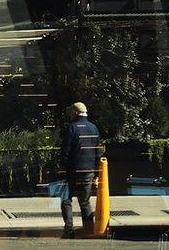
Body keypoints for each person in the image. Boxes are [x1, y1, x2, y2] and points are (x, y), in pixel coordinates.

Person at [59, 102, 101, 238]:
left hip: (72, 171)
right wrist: (96, 173)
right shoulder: (94, 128)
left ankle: (69, 228)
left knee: (66, 199)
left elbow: (66, 150)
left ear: (75, 113)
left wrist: (62, 166)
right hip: (88, 171)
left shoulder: (71, 128)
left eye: (71, 113)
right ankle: (89, 229)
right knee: (85, 201)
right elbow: (97, 152)